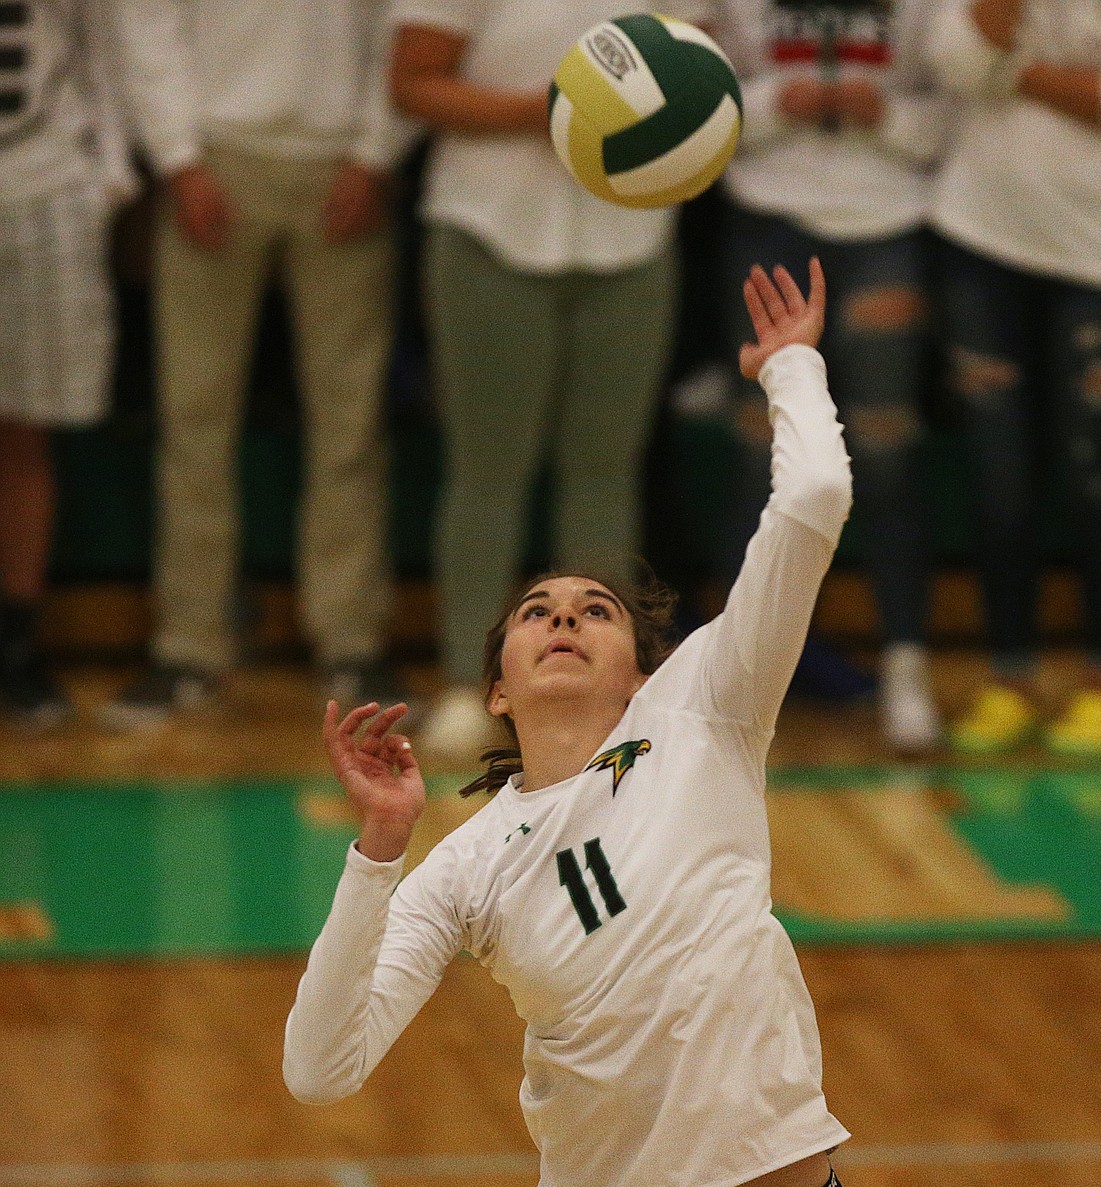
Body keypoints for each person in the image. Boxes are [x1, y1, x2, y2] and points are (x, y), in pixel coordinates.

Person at [284, 261, 867, 1187]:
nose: (562, 617)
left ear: (639, 668)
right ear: (495, 689)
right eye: (536, 611)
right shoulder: (466, 862)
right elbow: (320, 1069)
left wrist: (790, 365)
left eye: (593, 608)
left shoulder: (703, 709)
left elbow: (809, 502)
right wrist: (380, 853)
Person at [389, 0, 703, 764]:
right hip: (489, 229)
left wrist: (659, 122)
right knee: (487, 470)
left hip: (631, 237)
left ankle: (604, 694)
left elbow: (697, 74)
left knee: (604, 471)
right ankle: (471, 683)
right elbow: (414, 82)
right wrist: (558, 114)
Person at [102, 0, 417, 728]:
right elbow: (144, 21)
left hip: (345, 161)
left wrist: (375, 151)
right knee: (195, 420)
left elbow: (409, 20)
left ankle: (351, 642)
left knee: (350, 422)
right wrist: (178, 156)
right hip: (215, 154)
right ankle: (189, 649)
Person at [928, 0, 1101, 757]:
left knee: (1100, 474)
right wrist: (1017, 73)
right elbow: (957, 63)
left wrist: (1013, 73)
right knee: (999, 477)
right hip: (981, 238)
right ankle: (1010, 675)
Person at [712, 0, 950, 753]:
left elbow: (960, 116)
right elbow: (692, 100)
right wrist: (778, 106)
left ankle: (906, 671)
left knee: (887, 453)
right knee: (759, 458)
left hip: (889, 225)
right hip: (766, 216)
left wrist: (885, 114)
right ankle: (736, 687)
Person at [0, 0, 136, 725]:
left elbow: (104, 46)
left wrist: (108, 171)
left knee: (27, 429)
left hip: (45, 182)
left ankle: (18, 644)